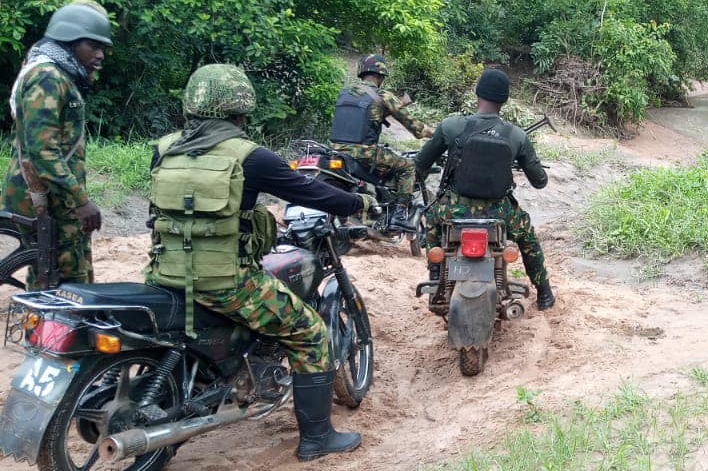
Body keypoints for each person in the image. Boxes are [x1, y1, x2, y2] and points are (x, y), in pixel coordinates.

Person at [145, 64, 375, 461]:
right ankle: (317, 440)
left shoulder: (163, 150)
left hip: (163, 274)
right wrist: (358, 202)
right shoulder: (249, 157)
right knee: (310, 333)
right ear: (240, 110)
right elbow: (308, 190)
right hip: (225, 282)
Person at [414, 69, 554, 310]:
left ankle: (436, 273)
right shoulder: (517, 135)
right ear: (505, 100)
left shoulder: (451, 126)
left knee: (431, 223)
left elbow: (421, 163)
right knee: (528, 238)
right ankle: (544, 294)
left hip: (454, 209)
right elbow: (540, 181)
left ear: (477, 94)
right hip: (499, 212)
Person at [3, 0, 112, 286]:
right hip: (46, 201)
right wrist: (81, 200)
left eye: (103, 48)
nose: (100, 55)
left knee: (57, 275)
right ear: (69, 42)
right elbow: (43, 150)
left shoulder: (57, 74)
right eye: (93, 46)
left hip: (55, 199)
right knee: (62, 282)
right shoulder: (48, 77)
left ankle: (50, 331)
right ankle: (53, 333)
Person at [329, 54, 433, 232]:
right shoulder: (383, 95)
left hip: (334, 150)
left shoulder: (345, 92)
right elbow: (416, 128)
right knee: (407, 166)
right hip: (364, 153)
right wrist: (437, 133)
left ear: (362, 72)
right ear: (381, 76)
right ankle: (400, 215)